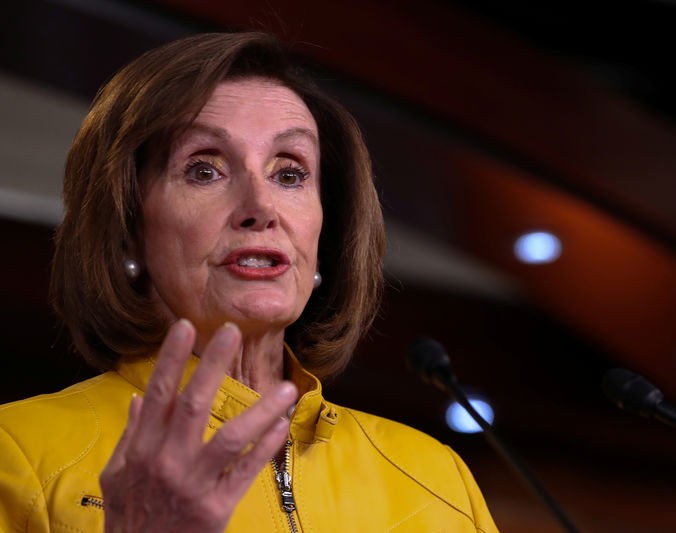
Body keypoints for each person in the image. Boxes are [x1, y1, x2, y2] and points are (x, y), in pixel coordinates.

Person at [0, 32, 499, 532]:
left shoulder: (436, 479)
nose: (260, 209)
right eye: (204, 170)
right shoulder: (17, 452)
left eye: (289, 174)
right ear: (127, 231)